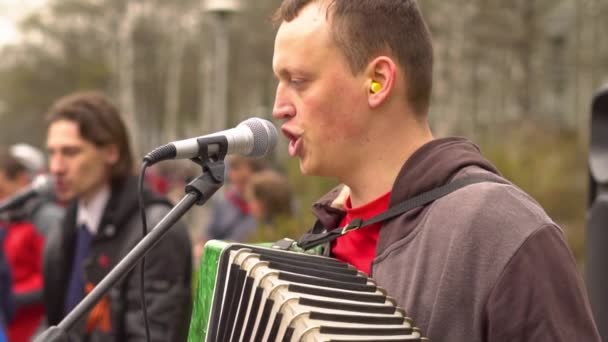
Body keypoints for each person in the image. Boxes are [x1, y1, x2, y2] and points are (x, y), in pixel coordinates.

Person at [270, 1, 600, 341]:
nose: (279, 108)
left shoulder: (503, 233)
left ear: (377, 81)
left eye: (298, 80)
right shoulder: (320, 241)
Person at [43, 91, 192, 341]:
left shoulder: (154, 229)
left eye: (70, 152)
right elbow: (57, 324)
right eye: (52, 153)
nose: (56, 167)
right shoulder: (66, 226)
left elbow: (150, 334)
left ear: (111, 152)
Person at [0, 146, 55, 341]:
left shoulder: (44, 219)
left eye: (1, 189)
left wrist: (12, 296)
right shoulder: (7, 219)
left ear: (21, 179)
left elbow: (54, 276)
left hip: (33, 327)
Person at [244, 169, 296, 243]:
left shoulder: (274, 238)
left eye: (252, 200)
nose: (249, 206)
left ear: (264, 201)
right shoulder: (294, 228)